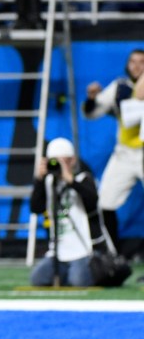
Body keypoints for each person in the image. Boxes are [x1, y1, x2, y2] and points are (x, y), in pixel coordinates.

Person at [83, 48, 144, 252]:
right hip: (125, 153)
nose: (137, 66)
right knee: (105, 202)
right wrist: (92, 98)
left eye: (142, 62)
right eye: (133, 62)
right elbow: (93, 112)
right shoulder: (120, 87)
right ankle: (112, 255)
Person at [30, 137, 108, 286]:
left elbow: (92, 201)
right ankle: (68, 272)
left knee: (77, 281)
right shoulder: (48, 183)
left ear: (72, 161)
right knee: (38, 279)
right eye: (53, 161)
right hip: (58, 252)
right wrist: (39, 180)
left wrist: (70, 181)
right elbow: (36, 208)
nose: (57, 165)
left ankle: (82, 272)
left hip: (85, 250)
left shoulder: (83, 179)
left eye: (62, 161)